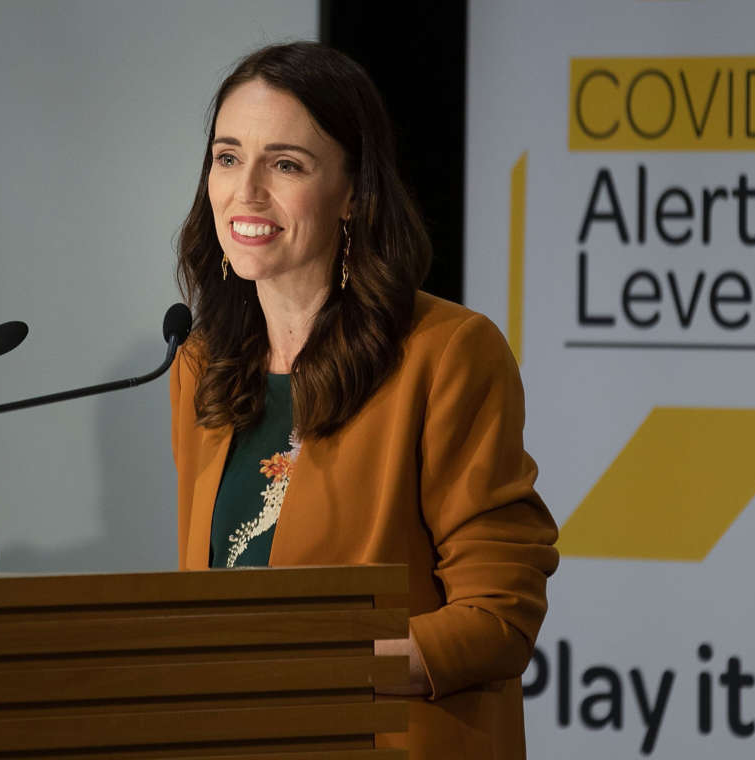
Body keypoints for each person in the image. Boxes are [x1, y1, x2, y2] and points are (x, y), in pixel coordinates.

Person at [170, 41, 558, 759]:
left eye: (285, 164)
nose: (245, 190)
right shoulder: (203, 364)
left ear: (353, 190)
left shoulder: (445, 354)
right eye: (227, 158)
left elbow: (499, 614)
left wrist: (320, 670)